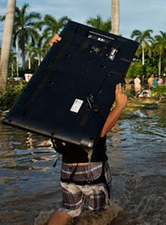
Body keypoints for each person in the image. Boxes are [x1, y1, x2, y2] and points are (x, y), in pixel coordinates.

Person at [47, 34, 128, 225]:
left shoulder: (63, 89)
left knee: (67, 210)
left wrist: (55, 50)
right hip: (93, 167)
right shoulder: (93, 91)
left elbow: (50, 74)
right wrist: (120, 106)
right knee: (99, 216)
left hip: (67, 168)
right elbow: (97, 131)